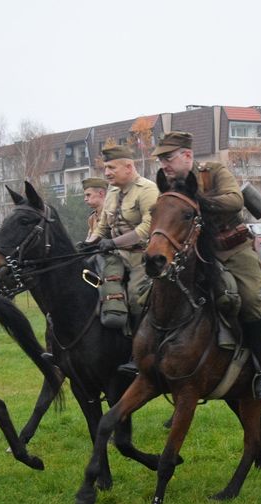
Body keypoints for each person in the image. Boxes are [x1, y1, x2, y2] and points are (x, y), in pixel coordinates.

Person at [152, 131, 261, 399]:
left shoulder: (213, 171)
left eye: (168, 158)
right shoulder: (167, 184)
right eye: (161, 160)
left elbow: (235, 199)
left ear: (187, 155)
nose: (164, 165)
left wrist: (200, 203)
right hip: (196, 254)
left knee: (250, 298)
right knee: (152, 295)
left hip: (233, 248)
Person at [86, 145, 159, 372]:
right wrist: (90, 244)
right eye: (105, 168)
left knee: (138, 298)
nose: (106, 173)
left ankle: (140, 354)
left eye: (111, 168)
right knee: (85, 287)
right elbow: (103, 227)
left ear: (129, 167)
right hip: (113, 256)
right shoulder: (112, 193)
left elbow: (148, 227)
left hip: (141, 256)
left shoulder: (147, 189)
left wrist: (114, 242)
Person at [80, 177, 108, 242]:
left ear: (101, 193)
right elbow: (89, 239)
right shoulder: (92, 218)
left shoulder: (112, 213)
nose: (85, 199)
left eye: (88, 195)